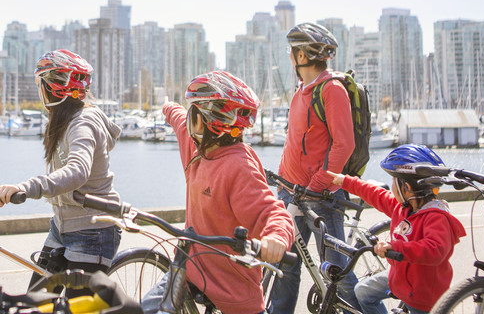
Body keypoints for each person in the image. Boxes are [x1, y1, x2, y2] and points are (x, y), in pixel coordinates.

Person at [142, 70, 295, 314]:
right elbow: (178, 117)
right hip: (189, 270)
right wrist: (167, 107)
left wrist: (276, 238)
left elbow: (271, 211)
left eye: (194, 111)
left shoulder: (238, 166)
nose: (189, 116)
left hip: (231, 289)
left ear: (203, 120)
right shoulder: (195, 148)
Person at [0, 49, 122, 297]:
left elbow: (77, 171)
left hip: (92, 230)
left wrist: (26, 187)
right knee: (35, 301)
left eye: (40, 83)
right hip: (62, 225)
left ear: (54, 88)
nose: (39, 90)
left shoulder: (82, 123)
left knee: (77, 308)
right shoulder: (65, 121)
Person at [271, 22, 361, 313]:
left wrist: (317, 185)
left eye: (292, 51)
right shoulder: (301, 91)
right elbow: (296, 143)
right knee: (285, 268)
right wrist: (280, 183)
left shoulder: (331, 89)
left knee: (339, 275)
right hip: (291, 195)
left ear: (301, 56)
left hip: (321, 198)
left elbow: (343, 145)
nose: (289, 56)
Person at [325, 144, 466, 314]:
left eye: (394, 181)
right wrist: (346, 181)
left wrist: (395, 247)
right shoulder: (403, 207)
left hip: (423, 296)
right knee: (363, 291)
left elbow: (435, 250)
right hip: (399, 280)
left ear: (406, 187)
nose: (391, 186)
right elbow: (377, 195)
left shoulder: (436, 217)